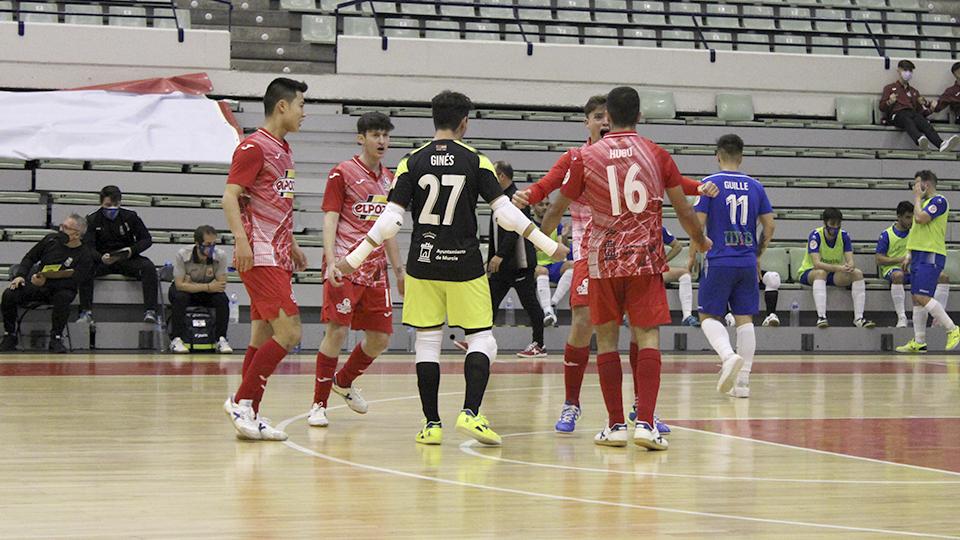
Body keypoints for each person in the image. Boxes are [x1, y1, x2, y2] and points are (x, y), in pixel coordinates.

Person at [337, 90, 567, 447]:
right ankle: (471, 413)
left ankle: (431, 425)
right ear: (464, 122)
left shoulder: (410, 161)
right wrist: (549, 245)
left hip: (422, 263)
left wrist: (354, 257)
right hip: (464, 264)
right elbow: (504, 214)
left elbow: (391, 221)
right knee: (482, 339)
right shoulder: (476, 160)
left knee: (427, 343)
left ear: (434, 119)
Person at [514, 94, 714, 435]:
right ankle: (574, 404)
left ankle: (631, 413)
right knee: (586, 323)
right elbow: (548, 186)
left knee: (620, 333)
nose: (602, 121)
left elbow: (556, 202)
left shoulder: (589, 159)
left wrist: (540, 235)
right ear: (587, 122)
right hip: (598, 252)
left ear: (613, 118)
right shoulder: (579, 156)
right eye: (596, 116)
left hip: (604, 256)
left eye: (606, 116)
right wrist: (530, 197)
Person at [222, 77, 310, 442]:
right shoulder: (254, 147)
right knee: (289, 332)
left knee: (260, 335)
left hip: (277, 253)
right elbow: (229, 197)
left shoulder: (284, 150)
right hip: (258, 255)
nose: (305, 113)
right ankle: (241, 400)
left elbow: (272, 204)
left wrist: (290, 243)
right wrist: (241, 242)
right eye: (302, 105)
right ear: (283, 107)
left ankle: (251, 413)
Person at [309, 111, 405, 428]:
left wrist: (399, 270)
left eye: (386, 135)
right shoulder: (342, 173)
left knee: (379, 339)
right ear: (361, 138)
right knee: (336, 332)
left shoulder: (390, 180)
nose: (382, 141)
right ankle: (318, 405)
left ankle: (344, 380)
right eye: (375, 135)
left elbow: (388, 228)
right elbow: (330, 218)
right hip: (345, 265)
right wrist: (329, 260)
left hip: (376, 272)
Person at [693, 134, 776, 399]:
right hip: (746, 260)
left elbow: (698, 224)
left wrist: (692, 256)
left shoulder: (709, 184)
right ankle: (742, 384)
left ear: (718, 155)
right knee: (745, 319)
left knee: (707, 316)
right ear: (741, 157)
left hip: (719, 259)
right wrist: (757, 254)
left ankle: (728, 356)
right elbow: (770, 226)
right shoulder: (756, 186)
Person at [0, 214, 93, 354]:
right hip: (38, 284)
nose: (61, 229)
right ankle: (10, 335)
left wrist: (48, 281)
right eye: (61, 226)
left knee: (63, 297)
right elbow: (30, 257)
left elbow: (77, 279)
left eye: (66, 228)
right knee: (9, 293)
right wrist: (20, 276)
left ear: (76, 234)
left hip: (62, 289)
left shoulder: (85, 254)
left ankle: (56, 338)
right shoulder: (50, 240)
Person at [487, 161, 547, 358]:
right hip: (503, 266)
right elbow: (496, 232)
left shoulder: (516, 198)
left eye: (493, 175)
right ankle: (479, 340)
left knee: (530, 304)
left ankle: (539, 344)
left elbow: (514, 231)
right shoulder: (499, 199)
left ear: (501, 176)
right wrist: (491, 258)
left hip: (519, 264)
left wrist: (499, 255)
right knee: (489, 302)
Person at [897, 171, 960, 353]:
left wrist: (916, 198)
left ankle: (952, 329)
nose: (914, 188)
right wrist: (908, 253)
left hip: (931, 253)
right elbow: (916, 231)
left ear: (926, 184)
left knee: (923, 296)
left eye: (917, 184)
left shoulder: (939, 201)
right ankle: (919, 341)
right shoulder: (923, 204)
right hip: (918, 254)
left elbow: (920, 219)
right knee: (916, 298)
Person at [77, 185, 159, 324]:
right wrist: (100, 257)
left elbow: (146, 239)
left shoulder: (130, 217)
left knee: (148, 267)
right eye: (108, 205)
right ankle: (86, 312)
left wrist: (131, 250)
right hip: (103, 259)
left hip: (126, 258)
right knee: (85, 268)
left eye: (116, 205)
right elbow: (87, 246)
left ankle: (150, 311)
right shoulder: (92, 220)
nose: (112, 209)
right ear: (101, 203)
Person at [795, 208, 875, 329]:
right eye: (832, 224)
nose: (835, 228)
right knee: (821, 273)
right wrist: (839, 268)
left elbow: (850, 260)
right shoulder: (815, 235)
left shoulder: (844, 236)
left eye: (838, 224)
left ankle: (859, 318)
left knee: (857, 273)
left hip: (833, 273)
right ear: (825, 223)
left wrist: (850, 266)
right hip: (810, 272)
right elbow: (817, 264)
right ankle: (821, 317)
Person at [168, 225, 233, 354]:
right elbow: (180, 285)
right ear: (197, 244)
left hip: (204, 292)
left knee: (222, 299)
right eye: (208, 244)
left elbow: (221, 284)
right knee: (180, 297)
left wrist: (192, 285)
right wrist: (208, 287)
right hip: (187, 292)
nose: (211, 248)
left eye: (214, 244)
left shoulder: (220, 256)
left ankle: (221, 339)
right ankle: (176, 339)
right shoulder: (183, 254)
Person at [880, 60, 958, 152]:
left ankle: (940, 144)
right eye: (905, 70)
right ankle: (919, 138)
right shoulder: (889, 88)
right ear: (899, 70)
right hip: (896, 115)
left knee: (923, 122)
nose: (908, 73)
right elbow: (881, 107)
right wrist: (890, 101)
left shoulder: (914, 92)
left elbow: (921, 112)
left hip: (911, 113)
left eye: (910, 71)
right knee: (906, 119)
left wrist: (931, 109)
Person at [532, 199, 572, 328]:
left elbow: (562, 247)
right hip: (536, 265)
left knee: (573, 265)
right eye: (540, 204)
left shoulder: (557, 225)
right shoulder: (528, 226)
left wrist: (564, 237)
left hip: (554, 264)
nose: (544, 207)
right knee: (542, 271)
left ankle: (553, 303)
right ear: (533, 207)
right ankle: (547, 310)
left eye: (547, 204)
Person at [661, 226, 698, 327]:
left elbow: (677, 246)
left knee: (684, 273)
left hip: (654, 272)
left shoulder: (658, 228)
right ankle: (626, 315)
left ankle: (687, 315)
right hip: (634, 272)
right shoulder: (627, 228)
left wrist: (662, 262)